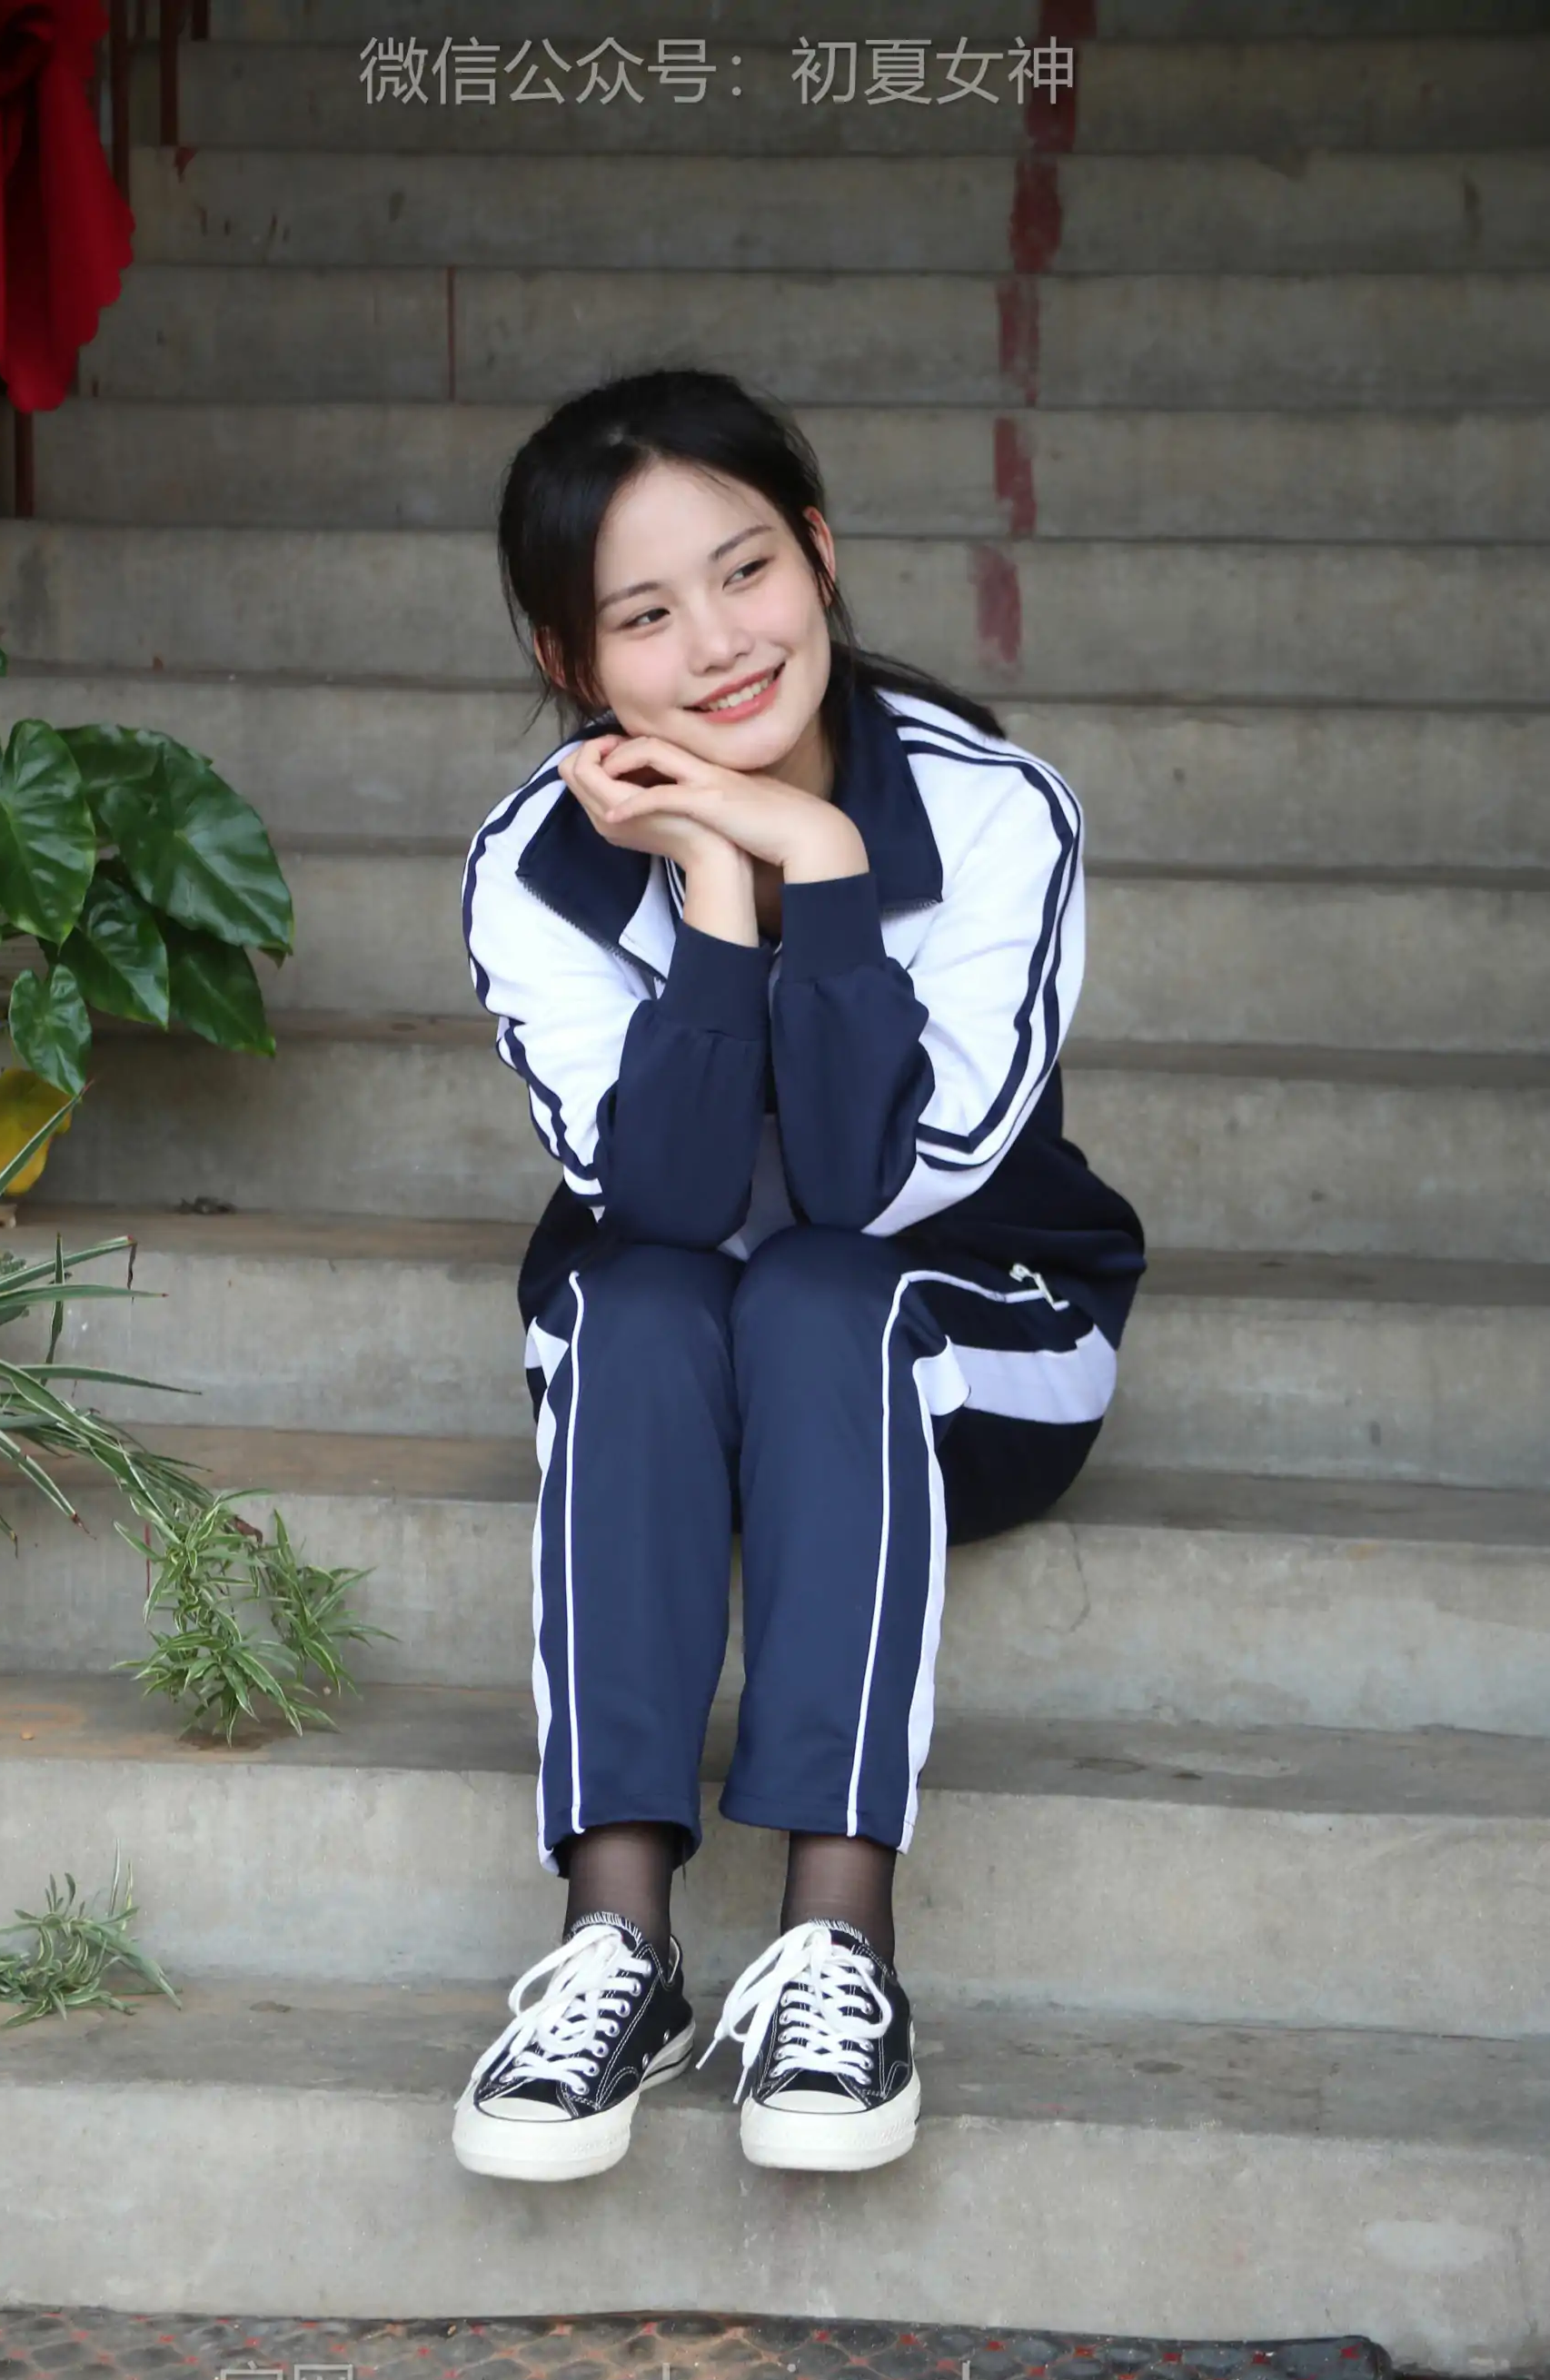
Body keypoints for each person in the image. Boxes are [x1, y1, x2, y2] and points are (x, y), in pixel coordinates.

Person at [453, 366, 1146, 2186]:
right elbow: (670, 1203)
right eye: (643, 616)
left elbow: (872, 1187)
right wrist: (712, 879)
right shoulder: (534, 869)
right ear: (570, 657)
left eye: (746, 569)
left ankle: (840, 1944)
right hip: (689, 1353)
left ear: (821, 556)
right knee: (632, 1296)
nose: (718, 645)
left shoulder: (995, 818)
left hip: (979, 1328)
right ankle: (615, 1946)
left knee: (832, 1290)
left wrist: (823, 863)